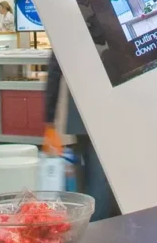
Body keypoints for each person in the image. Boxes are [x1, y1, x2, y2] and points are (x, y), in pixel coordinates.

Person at [43, 51, 118, 221]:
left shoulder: (66, 36)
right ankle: (95, 226)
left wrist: (49, 119)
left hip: (72, 114)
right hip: (102, 112)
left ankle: (76, 222)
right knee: (99, 177)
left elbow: (54, 76)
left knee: (75, 175)